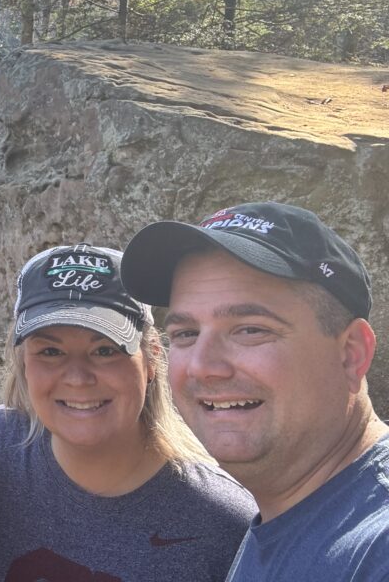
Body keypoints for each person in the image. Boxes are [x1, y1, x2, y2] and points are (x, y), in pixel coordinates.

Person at [121, 202, 389, 581]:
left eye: (250, 329)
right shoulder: (286, 514)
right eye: (186, 333)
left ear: (351, 354)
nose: (203, 366)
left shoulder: (376, 548)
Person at [0, 244, 255, 582]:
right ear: (24, 363)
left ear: (150, 360)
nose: (77, 377)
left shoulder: (224, 522)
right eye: (51, 351)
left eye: (105, 350)